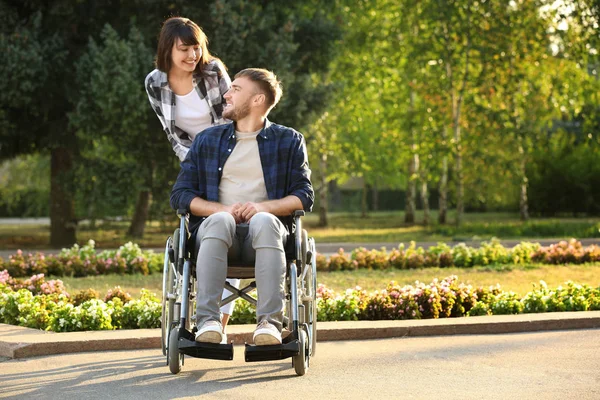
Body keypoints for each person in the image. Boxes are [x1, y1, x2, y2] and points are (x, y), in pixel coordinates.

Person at [170, 68, 314, 345]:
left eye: (235, 89)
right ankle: (208, 322)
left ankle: (269, 325)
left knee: (263, 220)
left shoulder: (289, 140)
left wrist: (263, 208)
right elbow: (181, 194)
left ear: (258, 100)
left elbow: (304, 195)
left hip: (267, 237)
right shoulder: (208, 140)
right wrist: (220, 210)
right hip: (215, 236)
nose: (227, 94)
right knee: (221, 221)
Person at [144, 16, 239, 336]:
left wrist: (222, 158)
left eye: (196, 48)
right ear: (167, 49)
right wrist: (196, 162)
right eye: (184, 49)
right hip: (193, 159)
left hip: (230, 152)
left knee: (234, 231)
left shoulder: (213, 72)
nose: (192, 55)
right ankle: (197, 309)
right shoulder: (154, 82)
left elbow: (235, 115)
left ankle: (218, 325)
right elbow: (172, 133)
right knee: (198, 231)